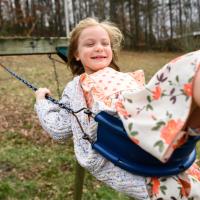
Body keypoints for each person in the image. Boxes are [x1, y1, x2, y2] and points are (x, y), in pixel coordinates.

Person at [35, 17, 200, 200]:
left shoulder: (128, 78)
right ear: (76, 54)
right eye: (90, 44)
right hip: (123, 139)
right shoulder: (76, 87)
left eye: (105, 43)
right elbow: (59, 129)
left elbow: (146, 101)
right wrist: (42, 101)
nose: (99, 47)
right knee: (195, 64)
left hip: (156, 131)